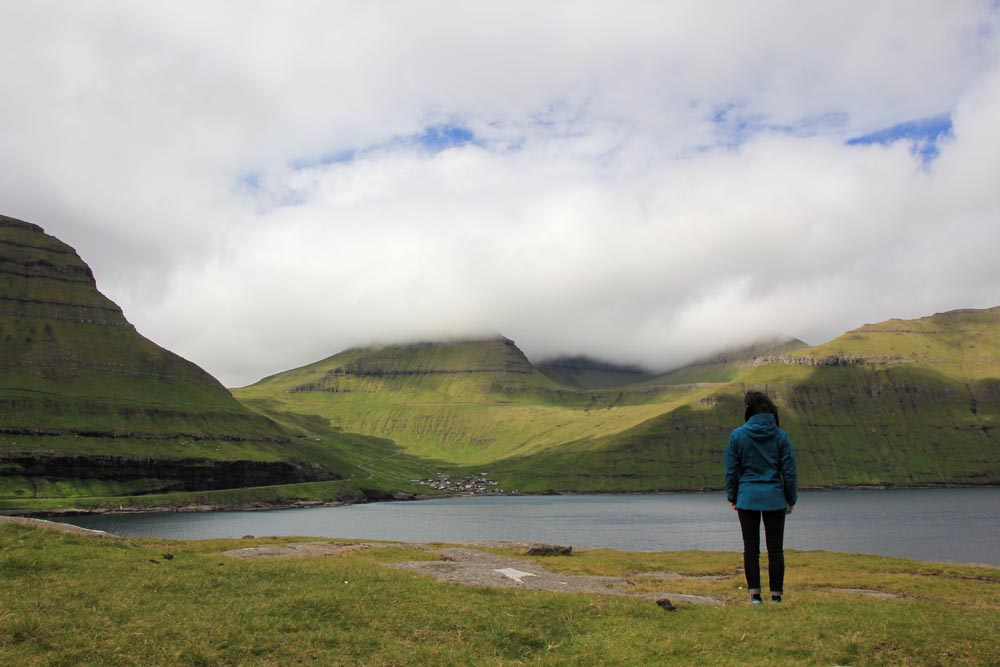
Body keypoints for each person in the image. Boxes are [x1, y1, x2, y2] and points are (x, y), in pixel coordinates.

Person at [725, 390, 797, 605]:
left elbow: (731, 470)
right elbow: (789, 471)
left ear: (749, 408)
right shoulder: (780, 436)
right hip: (774, 497)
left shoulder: (738, 435)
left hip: (747, 497)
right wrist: (790, 499)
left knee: (751, 548)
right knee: (775, 549)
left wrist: (733, 496)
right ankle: (776, 596)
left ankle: (755, 596)